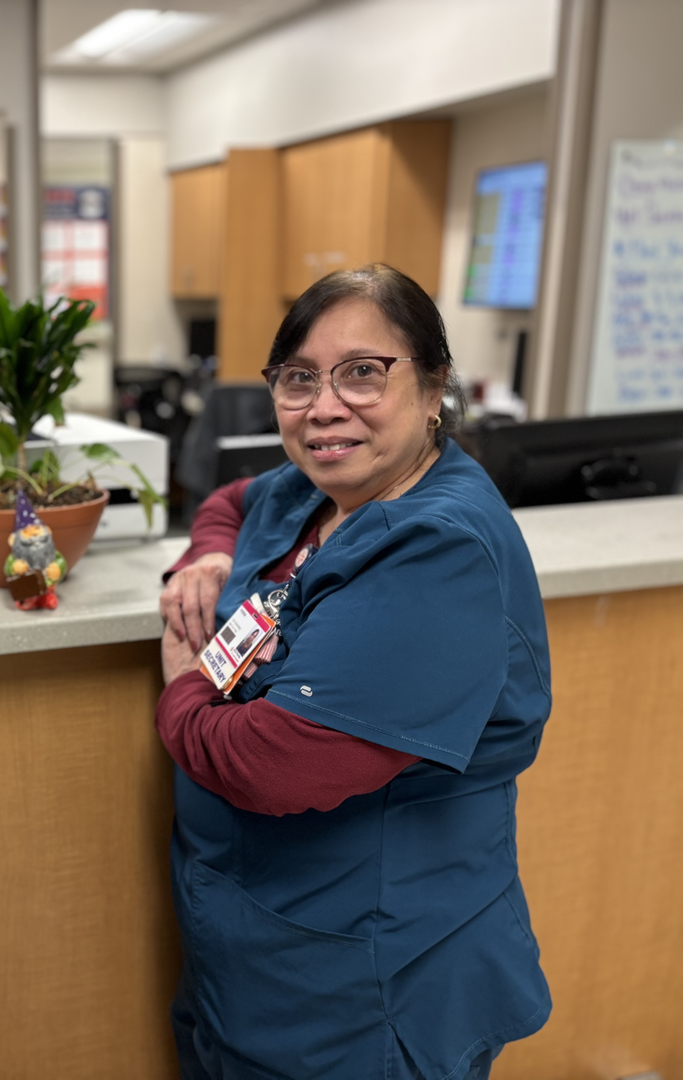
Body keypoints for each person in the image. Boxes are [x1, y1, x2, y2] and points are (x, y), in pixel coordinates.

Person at [155, 265, 551, 1080]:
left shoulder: (436, 549)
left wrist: (184, 689)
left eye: (363, 372)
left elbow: (273, 762)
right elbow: (232, 499)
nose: (324, 406)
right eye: (298, 378)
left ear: (435, 384)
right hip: (255, 952)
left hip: (369, 980)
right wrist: (209, 556)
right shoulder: (320, 489)